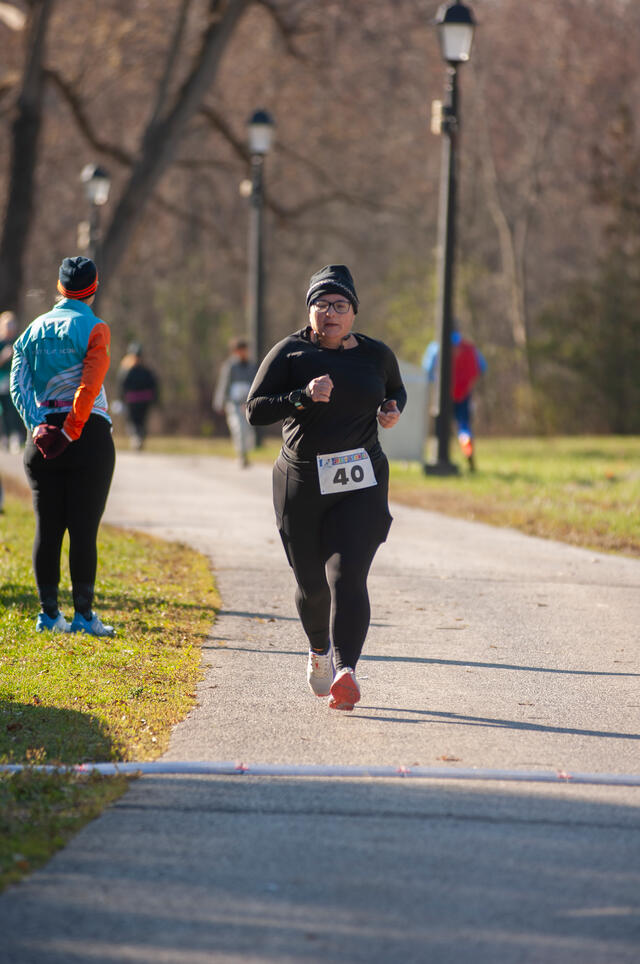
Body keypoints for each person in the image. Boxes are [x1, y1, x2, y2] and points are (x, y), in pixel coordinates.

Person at [246, 264, 406, 711]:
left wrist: (392, 408)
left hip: (360, 478)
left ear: (354, 313)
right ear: (310, 311)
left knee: (348, 576)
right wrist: (300, 396)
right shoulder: (290, 353)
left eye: (340, 305)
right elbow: (255, 410)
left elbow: (395, 389)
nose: (330, 313)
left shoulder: (376, 355)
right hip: (300, 481)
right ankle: (319, 650)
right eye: (321, 304)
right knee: (312, 585)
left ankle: (346, 670)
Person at [10, 256, 116, 636]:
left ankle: (49, 614)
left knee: (48, 526)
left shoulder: (31, 330)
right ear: (93, 288)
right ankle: (84, 616)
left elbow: (17, 385)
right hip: (86, 436)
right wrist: (71, 430)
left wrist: (37, 426)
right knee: (84, 530)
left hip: (41, 440)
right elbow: (89, 386)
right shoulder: (95, 328)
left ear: (59, 287)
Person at [422, 325, 487, 470]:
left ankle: (439, 455)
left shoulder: (435, 347)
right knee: (464, 426)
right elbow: (482, 367)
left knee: (441, 426)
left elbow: (427, 369)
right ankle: (468, 449)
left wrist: (436, 383)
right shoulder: (468, 347)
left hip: (442, 395)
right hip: (464, 393)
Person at [213, 337, 258, 468]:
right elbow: (224, 385)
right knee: (238, 429)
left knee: (248, 431)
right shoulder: (230, 366)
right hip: (234, 404)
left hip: (247, 404)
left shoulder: (252, 366)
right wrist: (220, 402)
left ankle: (246, 453)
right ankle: (241, 455)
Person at [117, 342, 158, 450]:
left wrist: (121, 399)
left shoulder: (126, 369)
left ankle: (137, 439)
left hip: (133, 399)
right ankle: (139, 439)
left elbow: (122, 385)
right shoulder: (146, 369)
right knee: (139, 421)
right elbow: (153, 384)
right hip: (143, 399)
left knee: (134, 422)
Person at [0, 310, 26, 452]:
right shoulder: (1, 343)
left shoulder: (18, 341)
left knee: (13, 409)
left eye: (12, 325)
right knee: (3, 411)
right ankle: (4, 437)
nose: (10, 329)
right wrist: (4, 356)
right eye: (7, 325)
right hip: (1, 381)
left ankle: (15, 437)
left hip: (14, 381)